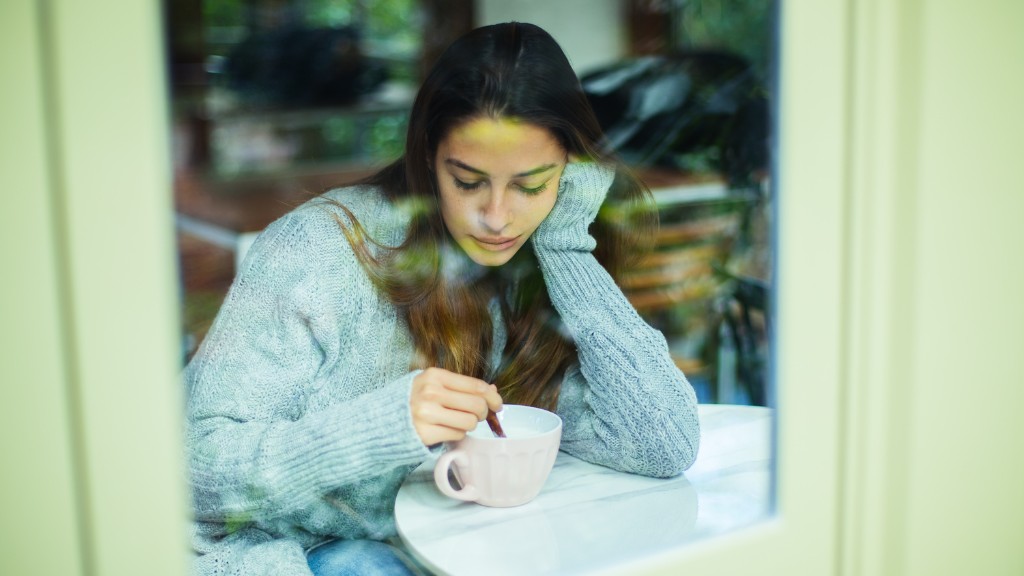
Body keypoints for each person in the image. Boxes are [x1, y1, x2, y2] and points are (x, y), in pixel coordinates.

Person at [185, 21, 700, 576]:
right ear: (429, 157)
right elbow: (195, 471)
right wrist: (379, 427)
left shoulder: (543, 263)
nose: (498, 217)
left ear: (570, 174)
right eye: (468, 181)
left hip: (445, 546)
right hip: (297, 552)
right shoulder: (316, 251)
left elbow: (663, 445)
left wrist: (567, 247)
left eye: (531, 185)